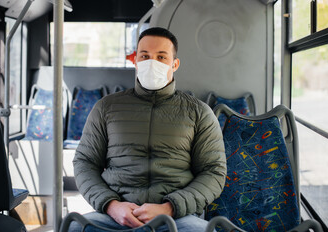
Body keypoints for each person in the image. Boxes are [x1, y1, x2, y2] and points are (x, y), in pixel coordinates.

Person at [71, 27, 226, 232]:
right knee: (75, 228)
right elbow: (85, 162)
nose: (152, 63)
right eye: (145, 56)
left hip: (178, 217)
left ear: (175, 64)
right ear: (135, 60)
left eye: (161, 57)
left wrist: (170, 207)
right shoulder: (106, 107)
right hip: (115, 214)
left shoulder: (199, 113)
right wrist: (111, 205)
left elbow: (213, 171)